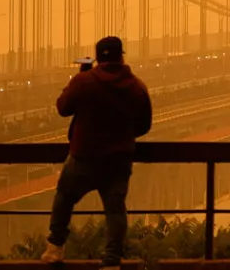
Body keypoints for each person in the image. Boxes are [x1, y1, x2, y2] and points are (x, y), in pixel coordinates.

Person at [42, 36, 153, 268]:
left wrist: (81, 75)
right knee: (115, 210)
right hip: (119, 161)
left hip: (84, 158)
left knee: (64, 197)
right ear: (121, 56)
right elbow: (144, 126)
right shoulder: (137, 86)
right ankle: (112, 261)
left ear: (97, 56)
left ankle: (54, 249)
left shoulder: (85, 82)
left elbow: (63, 108)